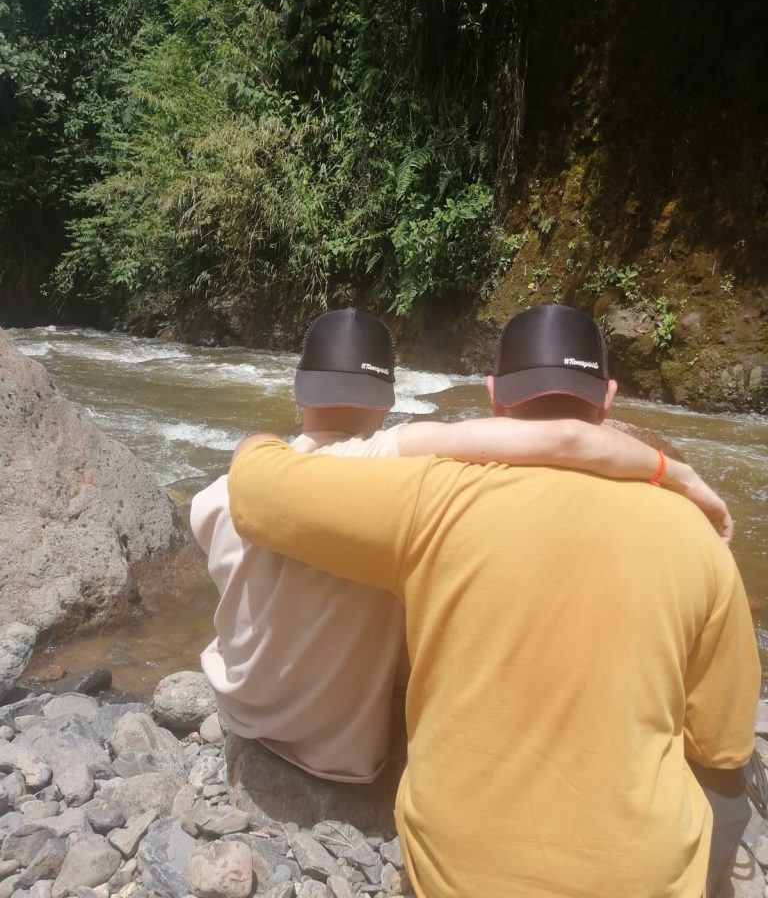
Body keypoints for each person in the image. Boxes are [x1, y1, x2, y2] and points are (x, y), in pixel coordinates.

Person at [226, 305, 760, 898]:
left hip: (455, 876)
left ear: (493, 398)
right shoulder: (697, 535)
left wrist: (258, 438)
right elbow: (722, 742)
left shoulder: (432, 496)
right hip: (642, 882)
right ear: (607, 399)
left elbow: (252, 489)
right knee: (732, 783)